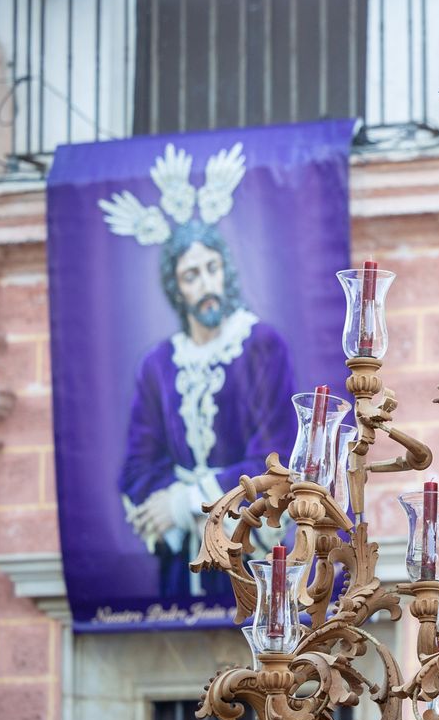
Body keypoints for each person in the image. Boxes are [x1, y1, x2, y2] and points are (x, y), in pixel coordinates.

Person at [102, 145, 297, 599]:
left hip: (247, 547)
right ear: (177, 288)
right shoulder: (159, 365)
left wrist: (190, 501)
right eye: (191, 276)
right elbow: (137, 466)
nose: (206, 284)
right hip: (183, 562)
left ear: (225, 272)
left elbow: (274, 461)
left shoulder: (261, 345)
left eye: (212, 269)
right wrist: (168, 510)